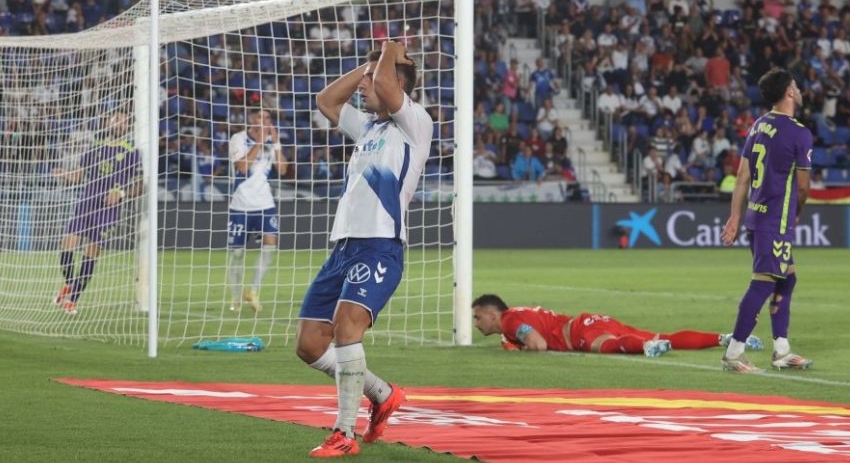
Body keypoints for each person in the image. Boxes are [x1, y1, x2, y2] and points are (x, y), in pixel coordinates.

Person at [296, 41, 433, 458]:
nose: (364, 88)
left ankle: (343, 433)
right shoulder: (369, 129)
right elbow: (326, 100)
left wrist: (389, 51)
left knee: (346, 327)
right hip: (343, 246)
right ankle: (383, 393)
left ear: (396, 85)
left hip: (379, 246)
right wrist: (367, 66)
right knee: (309, 345)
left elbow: (390, 91)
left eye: (372, 83)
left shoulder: (414, 123)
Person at [720, 67, 814, 373]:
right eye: (796, 86)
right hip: (775, 220)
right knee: (762, 284)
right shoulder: (799, 132)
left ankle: (782, 350)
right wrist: (797, 213)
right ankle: (734, 353)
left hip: (756, 217)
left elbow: (742, 177)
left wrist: (734, 216)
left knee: (787, 276)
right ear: (789, 91)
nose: (799, 90)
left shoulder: (759, 125)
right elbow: (801, 187)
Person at [53, 111, 143, 316]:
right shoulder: (95, 147)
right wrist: (65, 175)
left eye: (123, 120)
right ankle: (70, 284)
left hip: (108, 210)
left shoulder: (132, 152)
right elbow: (78, 176)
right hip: (85, 204)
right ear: (107, 123)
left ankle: (72, 300)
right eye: (115, 119)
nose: (118, 122)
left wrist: (121, 193)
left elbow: (139, 186)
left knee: (91, 253)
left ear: (128, 127)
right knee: (67, 245)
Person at [471, 294, 763, 356]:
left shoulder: (510, 320)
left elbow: (539, 344)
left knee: (607, 347)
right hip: (591, 319)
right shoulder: (515, 317)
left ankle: (647, 347)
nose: (475, 323)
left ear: (491, 313)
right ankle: (727, 338)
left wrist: (521, 350)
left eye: (477, 317)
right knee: (667, 336)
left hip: (579, 331)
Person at [226, 108, 288, 312]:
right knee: (237, 253)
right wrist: (260, 142)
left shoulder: (272, 143)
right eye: (260, 117)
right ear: (251, 119)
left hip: (265, 204)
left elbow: (283, 169)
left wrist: (276, 143)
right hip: (241, 205)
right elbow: (242, 167)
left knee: (270, 245)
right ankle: (235, 297)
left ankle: (252, 291)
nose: (264, 121)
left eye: (268, 118)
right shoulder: (238, 138)